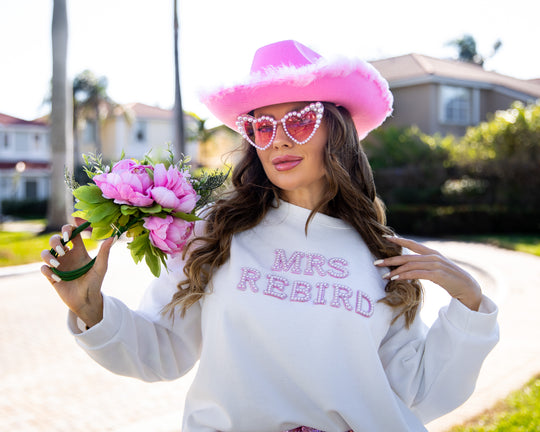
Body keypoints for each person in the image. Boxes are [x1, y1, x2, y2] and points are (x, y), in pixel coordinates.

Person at [41, 40, 499, 432]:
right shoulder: (213, 234)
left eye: (298, 120)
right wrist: (91, 310)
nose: (278, 140)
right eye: (262, 126)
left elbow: (417, 390)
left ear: (334, 130)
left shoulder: (380, 255)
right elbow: (162, 350)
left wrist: (470, 304)